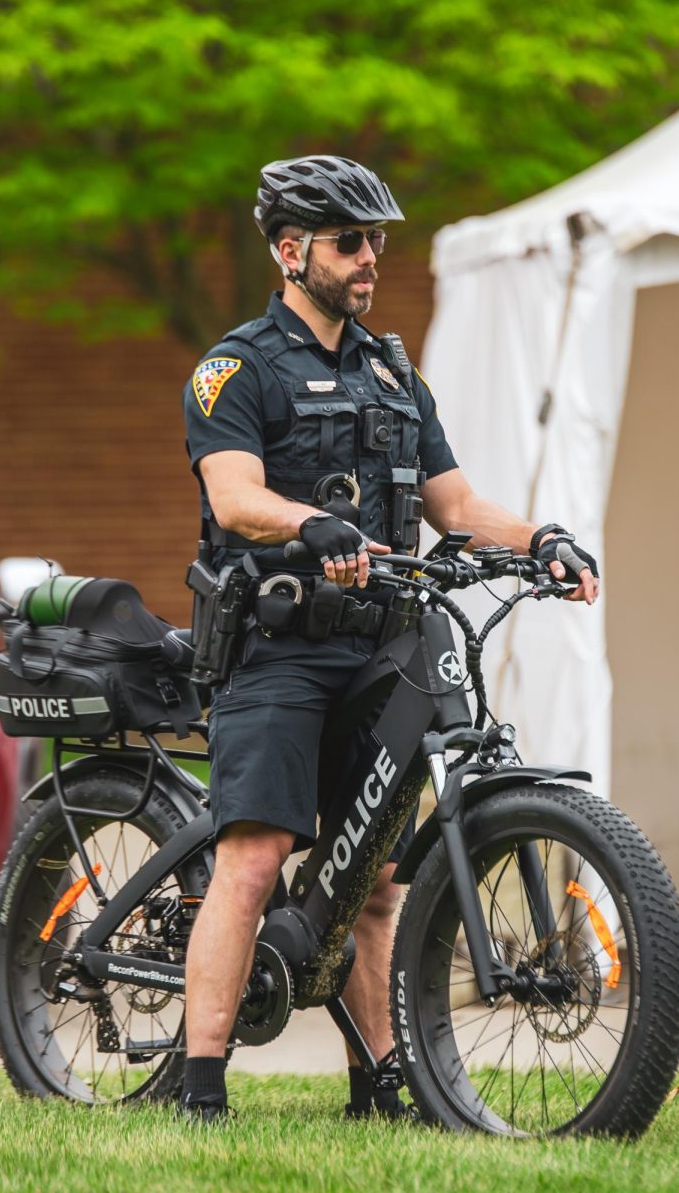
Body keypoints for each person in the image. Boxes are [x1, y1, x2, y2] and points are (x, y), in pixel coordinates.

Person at [180, 155, 599, 1122]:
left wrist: (538, 537)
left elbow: (455, 505)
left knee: (372, 884)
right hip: (276, 647)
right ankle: (200, 1086)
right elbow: (235, 498)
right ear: (291, 252)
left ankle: (379, 1082)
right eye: (349, 241)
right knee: (254, 854)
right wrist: (308, 523)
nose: (371, 257)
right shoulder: (235, 369)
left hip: (379, 646)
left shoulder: (394, 372)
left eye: (378, 240)